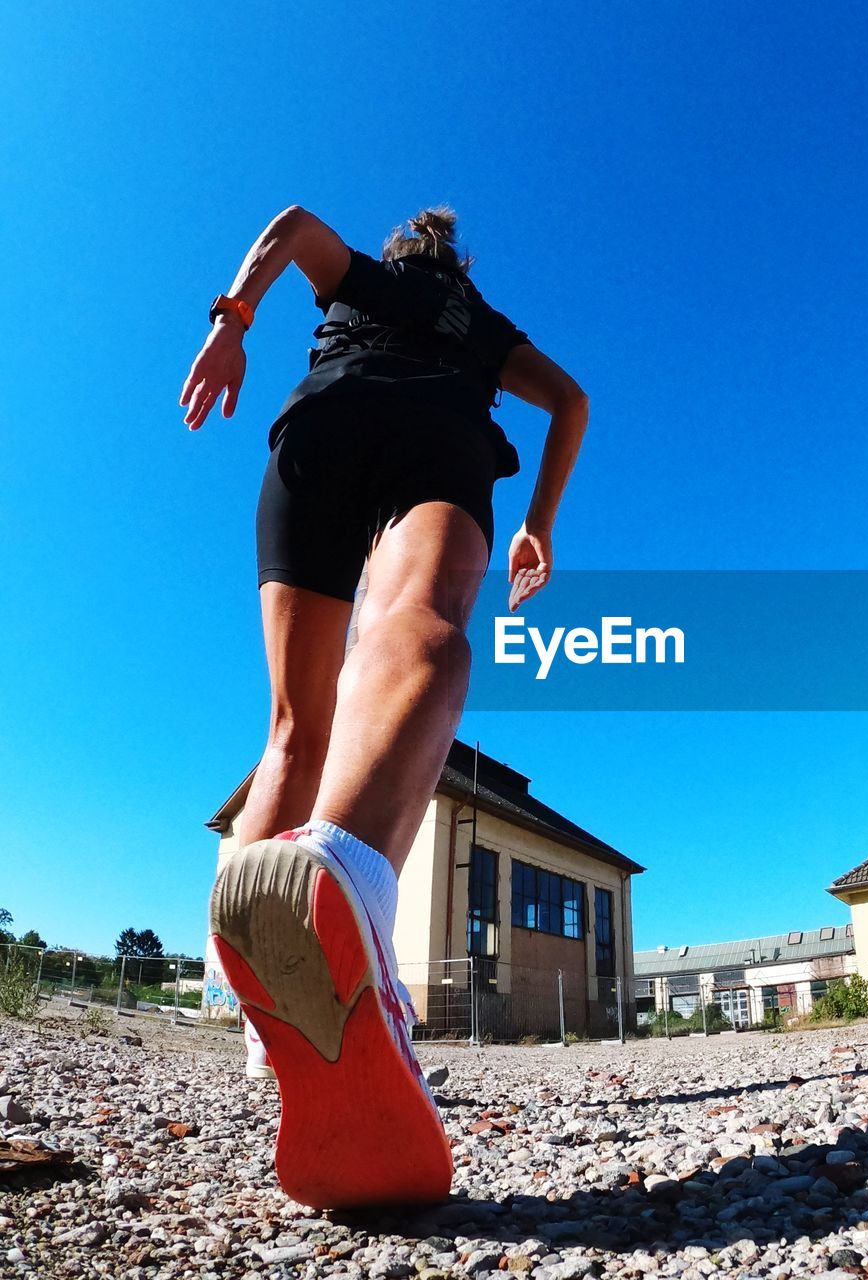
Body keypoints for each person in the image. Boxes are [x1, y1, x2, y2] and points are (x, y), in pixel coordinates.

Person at [179, 206, 587, 1208]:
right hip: (437, 440)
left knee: (291, 730)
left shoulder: (363, 280)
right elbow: (571, 400)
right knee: (418, 615)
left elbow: (286, 225)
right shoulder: (482, 328)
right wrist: (536, 524)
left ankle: (259, 1011)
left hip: (320, 430)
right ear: (460, 266)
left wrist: (232, 321)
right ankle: (348, 878)